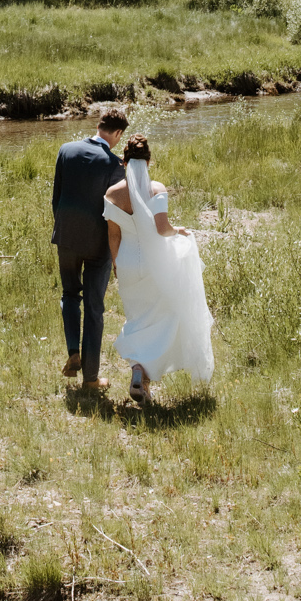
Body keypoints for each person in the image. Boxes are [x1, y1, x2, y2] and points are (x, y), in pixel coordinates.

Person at [103, 136, 214, 404]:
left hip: (128, 262)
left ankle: (140, 372)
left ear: (124, 162)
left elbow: (114, 236)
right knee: (164, 315)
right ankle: (145, 371)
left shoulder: (111, 193)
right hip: (155, 263)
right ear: (149, 161)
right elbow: (163, 229)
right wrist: (181, 231)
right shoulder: (156, 189)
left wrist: (117, 263)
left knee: (137, 318)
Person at [50, 108, 128, 392]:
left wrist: (66, 228)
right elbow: (113, 213)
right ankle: (91, 379)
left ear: (98, 126)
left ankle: (73, 350)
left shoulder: (66, 150)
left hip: (67, 238)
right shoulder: (114, 163)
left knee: (70, 294)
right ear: (117, 134)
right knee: (94, 308)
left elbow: (56, 199)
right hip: (97, 245)